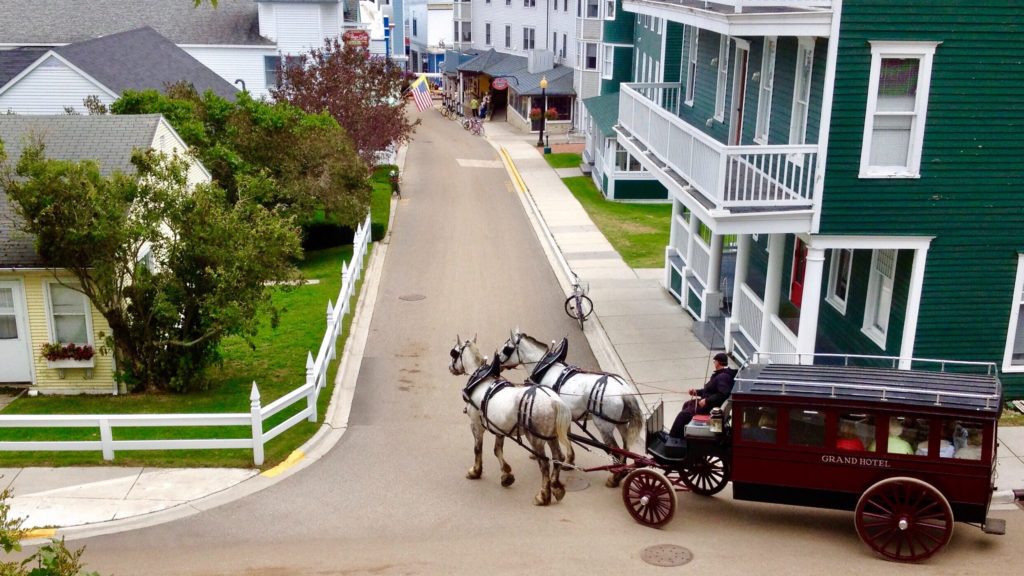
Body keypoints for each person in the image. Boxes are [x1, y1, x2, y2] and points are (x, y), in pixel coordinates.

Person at [669, 353, 736, 438]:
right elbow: (709, 390)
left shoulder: (723, 377)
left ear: (718, 362)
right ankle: (683, 434)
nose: (714, 363)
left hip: (710, 408)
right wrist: (696, 392)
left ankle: (672, 437)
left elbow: (723, 394)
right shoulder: (721, 374)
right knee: (686, 404)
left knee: (683, 415)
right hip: (708, 403)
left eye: (714, 361)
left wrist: (707, 400)